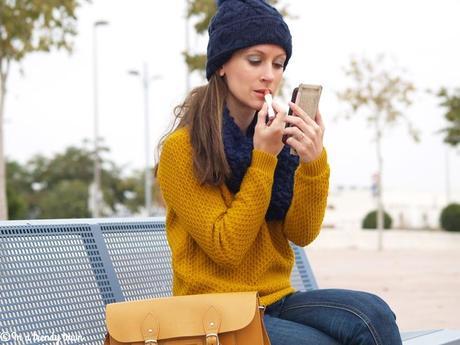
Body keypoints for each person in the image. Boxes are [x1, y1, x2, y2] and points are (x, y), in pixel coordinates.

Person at [155, 0, 402, 344]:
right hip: (211, 313)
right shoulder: (183, 150)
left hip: (275, 299)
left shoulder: (275, 138)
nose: (269, 74)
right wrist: (263, 159)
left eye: (278, 63)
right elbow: (226, 248)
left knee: (373, 315)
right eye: (255, 60)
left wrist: (313, 162)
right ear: (222, 64)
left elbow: (301, 233)